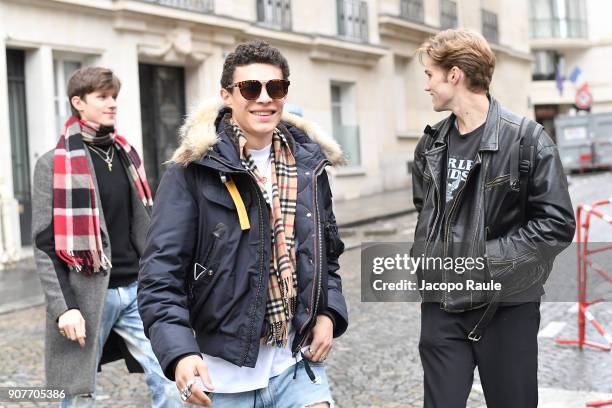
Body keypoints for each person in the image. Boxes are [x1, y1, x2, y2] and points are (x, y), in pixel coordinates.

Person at [138, 40, 348, 407]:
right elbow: (160, 276)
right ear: (227, 95)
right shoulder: (190, 172)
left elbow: (325, 257)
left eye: (275, 88)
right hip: (220, 378)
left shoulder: (310, 168)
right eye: (251, 88)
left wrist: (329, 313)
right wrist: (180, 353)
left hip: (294, 366)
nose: (264, 98)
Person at [411, 29, 575, 408]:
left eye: (429, 74)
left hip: (506, 308)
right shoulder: (430, 143)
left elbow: (556, 225)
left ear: (454, 75)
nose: (426, 86)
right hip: (442, 306)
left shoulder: (528, 140)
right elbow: (426, 211)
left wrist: (483, 262)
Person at [31, 67, 181, 407]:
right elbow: (44, 246)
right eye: (102, 97)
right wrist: (64, 308)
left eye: (114, 97)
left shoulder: (126, 155)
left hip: (138, 291)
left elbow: (145, 226)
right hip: (86, 297)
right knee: (78, 392)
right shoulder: (53, 164)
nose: (112, 104)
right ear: (78, 103)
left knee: (171, 374)